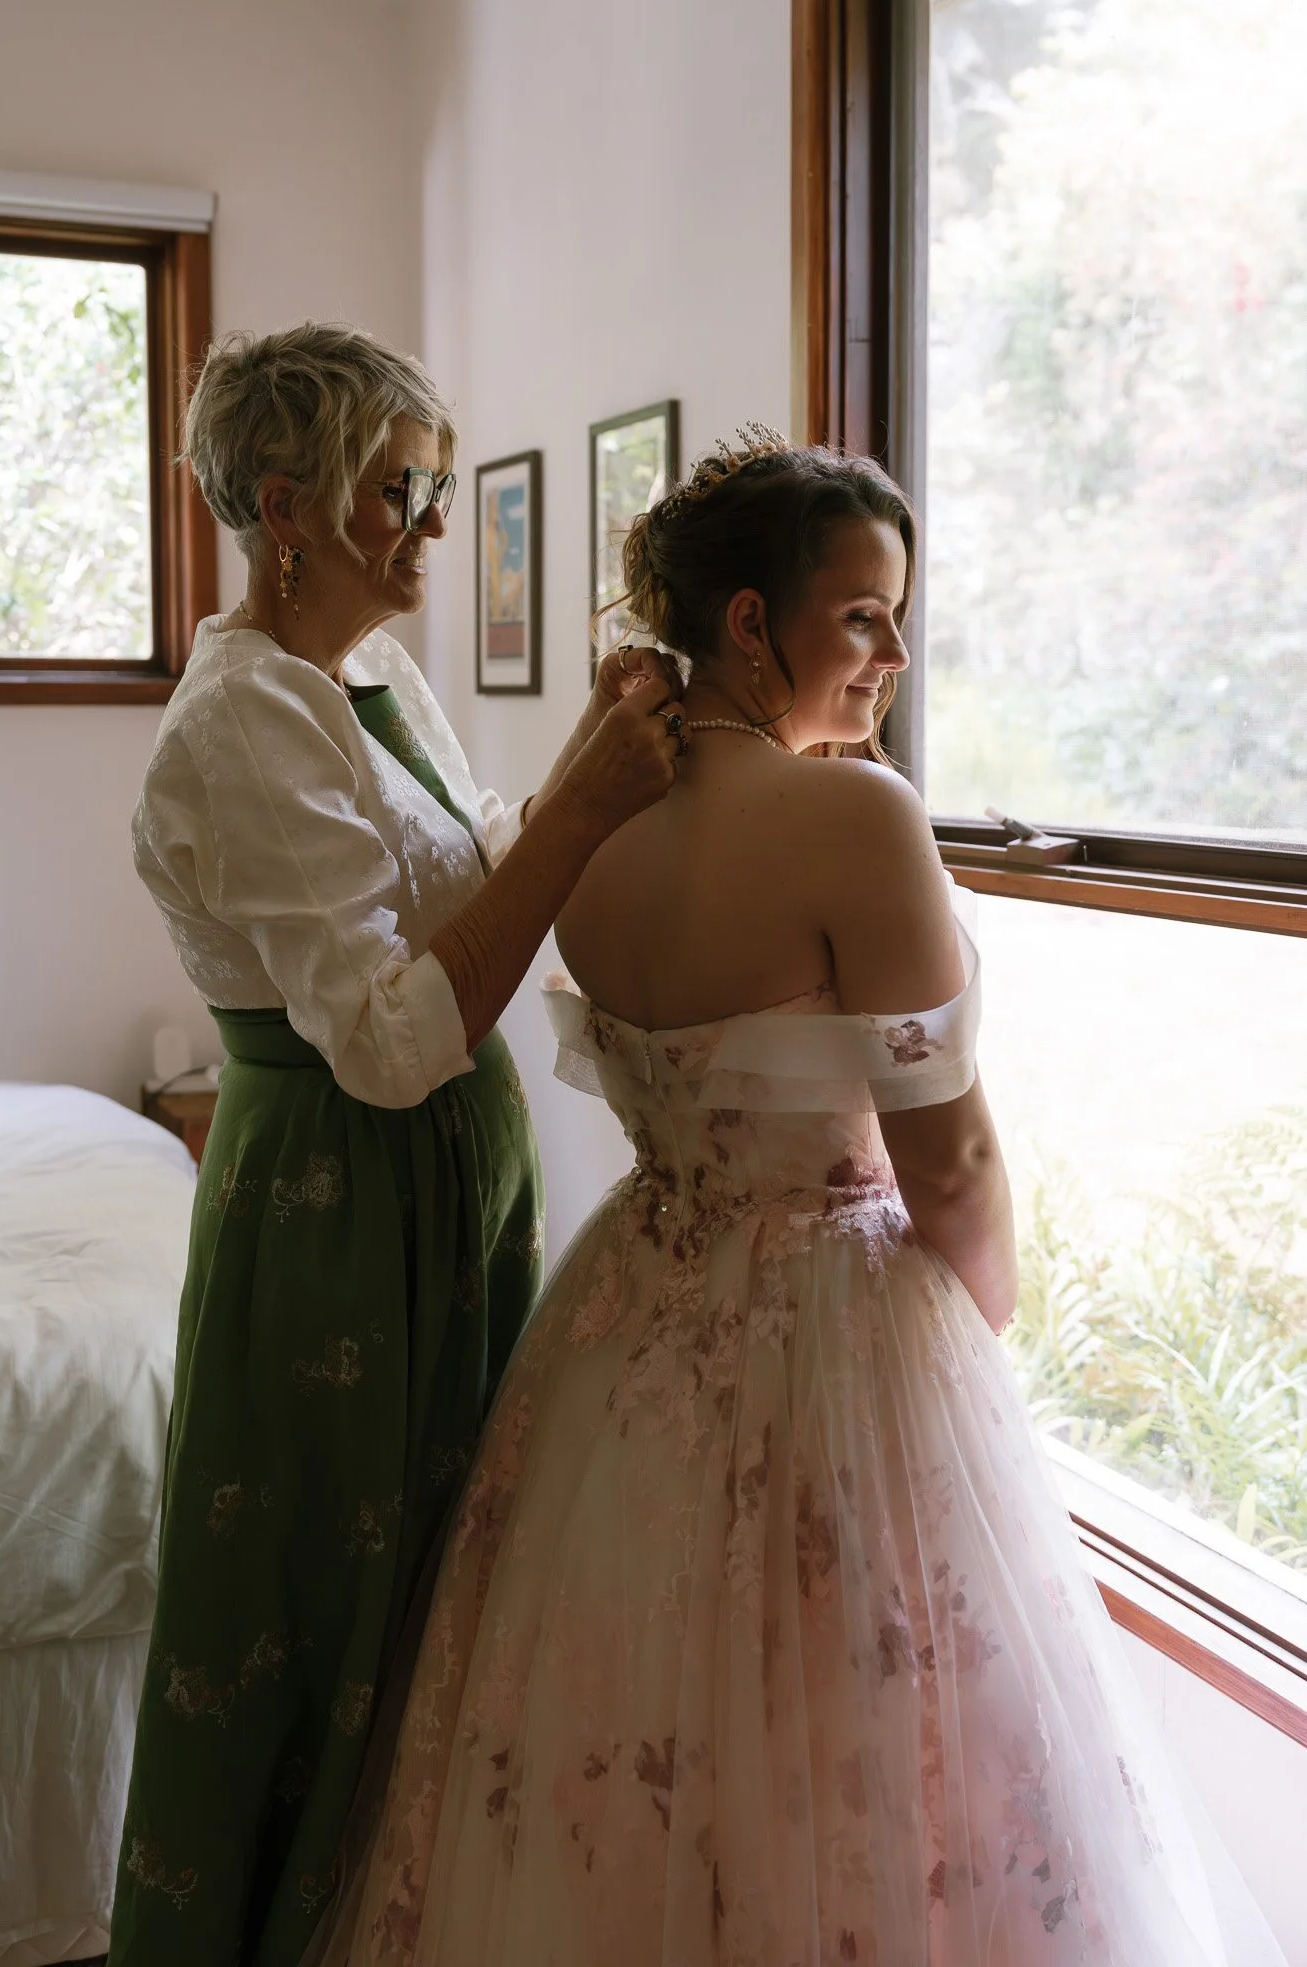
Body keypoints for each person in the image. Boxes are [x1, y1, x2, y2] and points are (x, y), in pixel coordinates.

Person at [313, 430, 1288, 1966]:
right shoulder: (856, 819)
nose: (896, 654)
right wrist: (978, 1341)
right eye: (863, 617)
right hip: (832, 1335)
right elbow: (948, 1160)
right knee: (861, 1764)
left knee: (613, 1757)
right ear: (751, 624)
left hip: (623, 1328)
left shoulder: (591, 809)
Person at [106, 322, 685, 1967]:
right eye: (403, 490)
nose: (435, 525)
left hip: (440, 1189)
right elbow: (383, 1041)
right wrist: (582, 812)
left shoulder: (363, 676)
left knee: (439, 1588)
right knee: (319, 1617)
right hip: (337, 1207)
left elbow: (477, 863)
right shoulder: (240, 720)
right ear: (287, 506)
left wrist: (587, 761)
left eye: (433, 489)